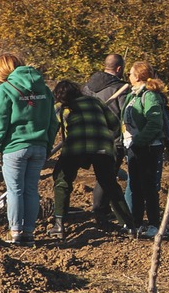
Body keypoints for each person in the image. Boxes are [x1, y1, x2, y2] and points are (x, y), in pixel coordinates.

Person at [0, 54, 55, 245]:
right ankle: (29, 233)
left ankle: (15, 231)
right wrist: (47, 145)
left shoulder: (5, 89)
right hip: (39, 146)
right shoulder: (45, 89)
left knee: (15, 190)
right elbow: (53, 121)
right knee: (31, 190)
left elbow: (0, 123)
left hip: (15, 147)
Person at [48, 80, 132, 236]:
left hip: (75, 147)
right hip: (102, 147)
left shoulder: (59, 108)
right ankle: (129, 226)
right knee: (109, 184)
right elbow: (114, 124)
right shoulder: (95, 101)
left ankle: (59, 224)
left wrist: (46, 150)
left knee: (62, 181)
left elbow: (51, 131)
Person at [121, 62, 169, 238]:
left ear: (138, 76)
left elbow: (154, 123)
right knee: (135, 186)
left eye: (131, 73)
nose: (128, 76)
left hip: (148, 147)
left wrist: (139, 141)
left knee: (148, 187)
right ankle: (135, 223)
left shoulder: (149, 96)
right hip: (134, 146)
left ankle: (153, 224)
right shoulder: (133, 95)